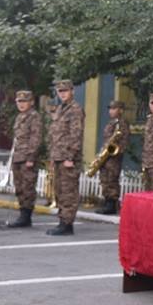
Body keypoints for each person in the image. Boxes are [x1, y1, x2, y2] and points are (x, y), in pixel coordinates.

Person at [47, 80, 84, 236]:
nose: (62, 94)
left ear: (72, 91)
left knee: (68, 191)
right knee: (60, 191)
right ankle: (62, 221)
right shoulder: (60, 109)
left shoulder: (75, 110)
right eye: (60, 91)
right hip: (58, 157)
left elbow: (76, 135)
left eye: (65, 91)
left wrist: (70, 156)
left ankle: (67, 224)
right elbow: (55, 135)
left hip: (68, 158)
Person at [6, 90, 43, 228]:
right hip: (17, 157)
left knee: (27, 187)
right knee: (20, 187)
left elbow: (36, 138)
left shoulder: (34, 116)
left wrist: (31, 157)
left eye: (24, 101)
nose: (21, 104)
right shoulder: (20, 117)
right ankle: (23, 214)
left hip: (27, 157)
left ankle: (26, 216)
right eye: (19, 101)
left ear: (31, 102)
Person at [95, 100, 130, 215]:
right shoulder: (111, 123)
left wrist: (115, 150)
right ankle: (106, 202)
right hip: (106, 157)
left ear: (120, 110)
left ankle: (112, 204)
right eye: (110, 108)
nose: (111, 111)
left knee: (112, 180)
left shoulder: (122, 123)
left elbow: (124, 142)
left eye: (114, 108)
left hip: (114, 158)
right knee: (105, 180)